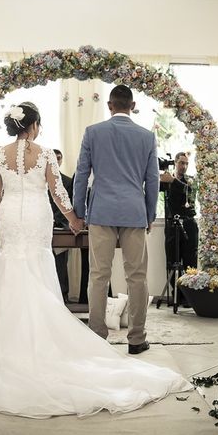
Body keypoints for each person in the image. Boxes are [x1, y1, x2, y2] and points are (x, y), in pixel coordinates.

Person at [0, 102, 191, 417]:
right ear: (33, 125)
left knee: (8, 267)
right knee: (37, 269)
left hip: (11, 218)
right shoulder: (44, 154)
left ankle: (4, 339)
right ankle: (45, 338)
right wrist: (73, 219)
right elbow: (58, 192)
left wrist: (5, 214)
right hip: (36, 215)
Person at [73, 85, 159, 355]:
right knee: (137, 277)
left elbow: (81, 175)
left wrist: (79, 212)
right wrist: (150, 214)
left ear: (109, 105)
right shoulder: (147, 136)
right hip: (134, 212)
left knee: (98, 276)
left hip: (101, 212)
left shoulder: (93, 132)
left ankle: (98, 337)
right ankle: (136, 339)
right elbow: (153, 180)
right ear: (132, 105)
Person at [160, 152, 198, 304]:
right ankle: (176, 295)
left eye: (186, 163)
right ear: (175, 163)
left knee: (190, 260)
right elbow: (150, 187)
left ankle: (189, 296)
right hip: (171, 225)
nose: (184, 166)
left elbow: (190, 191)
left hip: (188, 224)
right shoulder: (166, 179)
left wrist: (173, 181)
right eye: (181, 163)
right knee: (172, 260)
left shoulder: (191, 180)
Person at [50, 149, 73, 302]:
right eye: (55, 158)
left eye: (59, 158)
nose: (57, 161)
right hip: (41, 223)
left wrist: (57, 220)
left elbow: (68, 203)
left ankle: (62, 294)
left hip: (60, 226)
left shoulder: (68, 181)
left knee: (60, 263)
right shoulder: (41, 178)